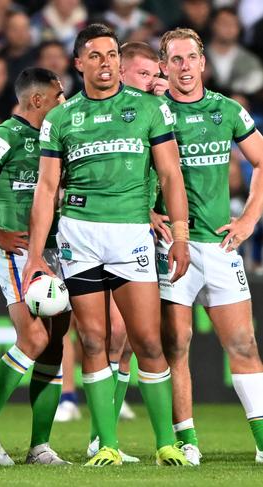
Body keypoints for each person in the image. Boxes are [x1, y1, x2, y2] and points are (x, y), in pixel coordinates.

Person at [22, 23, 191, 467]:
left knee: (148, 341)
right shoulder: (60, 118)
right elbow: (46, 189)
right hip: (79, 236)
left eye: (112, 54)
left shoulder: (151, 108)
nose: (106, 63)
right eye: (95, 56)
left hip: (131, 235)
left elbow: (172, 175)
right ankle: (108, 445)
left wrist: (181, 234)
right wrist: (36, 256)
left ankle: (164, 444)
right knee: (94, 340)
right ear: (78, 63)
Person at [0, 67, 72, 466]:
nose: (65, 103)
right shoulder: (6, 136)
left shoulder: (56, 137)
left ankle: (40, 446)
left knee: (54, 345)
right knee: (34, 340)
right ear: (37, 100)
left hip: (58, 250)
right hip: (19, 250)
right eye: (59, 97)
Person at [155, 27, 263, 466]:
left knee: (243, 344)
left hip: (219, 246)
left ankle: (261, 441)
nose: (183, 67)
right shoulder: (152, 113)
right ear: (164, 67)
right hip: (171, 246)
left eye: (190, 58)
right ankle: (186, 441)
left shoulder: (228, 110)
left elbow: (261, 160)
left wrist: (250, 219)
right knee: (175, 345)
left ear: (204, 63)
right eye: (175, 60)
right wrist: (147, 214)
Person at [84, 40, 169, 462]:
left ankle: (106, 435)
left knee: (135, 340)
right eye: (144, 74)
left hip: (139, 229)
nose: (153, 82)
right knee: (110, 334)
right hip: (101, 230)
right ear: (121, 73)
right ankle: (103, 438)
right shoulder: (100, 114)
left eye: (157, 75)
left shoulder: (153, 113)